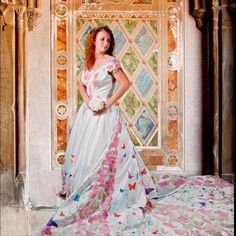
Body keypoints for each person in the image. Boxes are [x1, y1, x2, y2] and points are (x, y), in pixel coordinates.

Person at [40, 26, 233, 235]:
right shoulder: (88, 64)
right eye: (102, 39)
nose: (105, 43)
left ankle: (108, 197)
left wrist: (106, 103)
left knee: (104, 158)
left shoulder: (111, 62)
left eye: (108, 40)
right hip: (87, 117)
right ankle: (85, 198)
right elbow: (81, 84)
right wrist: (88, 102)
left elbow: (125, 83)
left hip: (105, 116)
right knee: (85, 159)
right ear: (93, 41)